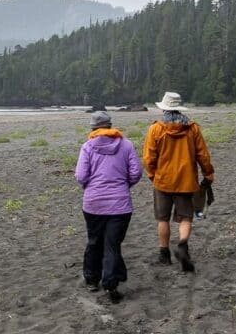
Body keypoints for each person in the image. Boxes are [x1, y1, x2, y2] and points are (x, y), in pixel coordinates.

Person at [74, 111, 142, 303]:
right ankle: (111, 283)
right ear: (110, 126)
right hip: (120, 205)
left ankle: (91, 280)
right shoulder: (126, 145)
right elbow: (136, 173)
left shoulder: (87, 147)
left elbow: (81, 176)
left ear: (93, 128)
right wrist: (123, 185)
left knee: (94, 241)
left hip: (93, 203)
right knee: (112, 245)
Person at [143, 91, 214, 272]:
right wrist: (208, 174)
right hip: (186, 181)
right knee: (185, 218)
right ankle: (182, 246)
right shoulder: (192, 129)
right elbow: (203, 155)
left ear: (165, 109)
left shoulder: (156, 129)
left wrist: (153, 175)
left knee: (163, 219)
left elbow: (149, 158)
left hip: (163, 181)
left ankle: (164, 254)